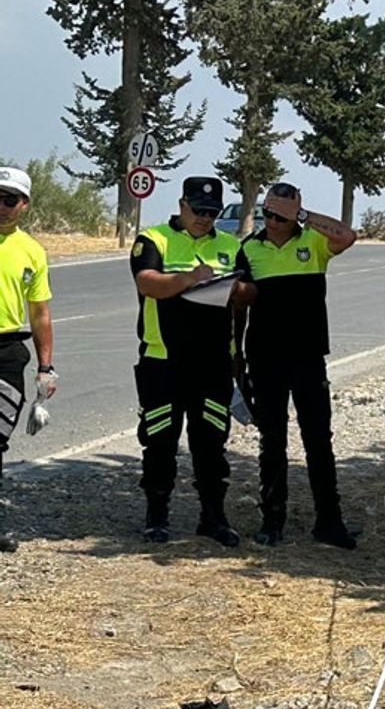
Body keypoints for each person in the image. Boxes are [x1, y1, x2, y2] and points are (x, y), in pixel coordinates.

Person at [232, 182, 358, 549]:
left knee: (318, 440)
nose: (272, 222)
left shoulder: (314, 242)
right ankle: (272, 520)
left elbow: (347, 236)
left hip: (308, 357)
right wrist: (237, 355)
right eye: (268, 213)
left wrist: (302, 216)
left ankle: (329, 522)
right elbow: (238, 305)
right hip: (265, 358)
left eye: (281, 216)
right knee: (272, 441)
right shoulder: (249, 248)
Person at [131, 176, 242, 547]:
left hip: (213, 363)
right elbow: (147, 282)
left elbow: (250, 292)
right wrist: (190, 278)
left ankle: (213, 518)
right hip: (163, 360)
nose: (205, 218)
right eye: (198, 211)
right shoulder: (154, 239)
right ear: (182, 205)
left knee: (211, 443)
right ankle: (156, 517)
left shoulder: (230, 245)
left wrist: (233, 286)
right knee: (160, 441)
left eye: (212, 212)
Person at [0, 167, 56, 553]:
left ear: (25, 205)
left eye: (10, 199)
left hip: (7, 353)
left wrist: (45, 368)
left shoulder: (32, 252)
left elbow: (39, 313)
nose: (2, 206)